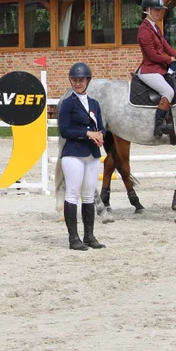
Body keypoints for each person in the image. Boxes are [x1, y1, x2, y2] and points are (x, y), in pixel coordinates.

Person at [58, 62, 105, 251]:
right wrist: (87, 134)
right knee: (73, 193)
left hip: (92, 154)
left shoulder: (94, 103)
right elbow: (64, 130)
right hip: (73, 153)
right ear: (71, 81)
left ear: (88, 81)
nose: (78, 83)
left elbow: (101, 126)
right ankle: (73, 238)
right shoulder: (68, 103)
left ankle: (89, 235)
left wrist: (100, 135)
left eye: (81, 80)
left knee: (88, 195)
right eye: (75, 80)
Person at [137, 0, 176, 138]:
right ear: (147, 10)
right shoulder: (144, 30)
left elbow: (166, 45)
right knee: (168, 92)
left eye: (160, 10)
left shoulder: (155, 28)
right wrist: (170, 59)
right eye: (156, 9)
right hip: (149, 70)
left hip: (159, 69)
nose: (158, 12)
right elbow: (152, 56)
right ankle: (158, 126)